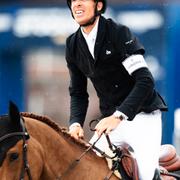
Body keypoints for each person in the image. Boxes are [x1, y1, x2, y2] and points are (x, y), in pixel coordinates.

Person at [65, 0, 168, 179]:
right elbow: (78, 92)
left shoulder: (118, 33)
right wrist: (75, 124)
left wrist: (118, 116)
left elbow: (145, 81)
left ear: (98, 5)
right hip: (110, 124)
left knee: (146, 176)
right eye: (73, 0)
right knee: (81, 169)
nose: (77, 4)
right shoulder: (72, 44)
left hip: (142, 116)